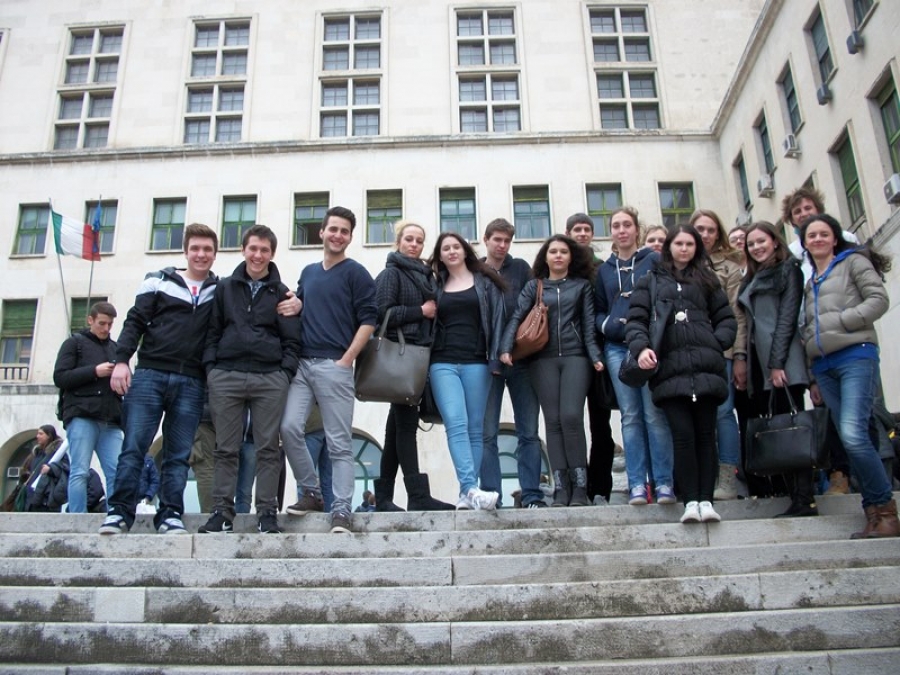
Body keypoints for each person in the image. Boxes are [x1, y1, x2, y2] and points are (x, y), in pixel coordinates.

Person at [99, 223, 220, 535]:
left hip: (192, 382)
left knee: (178, 455)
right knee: (134, 448)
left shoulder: (218, 291)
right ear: (186, 250)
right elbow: (134, 320)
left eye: (207, 249)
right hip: (150, 375)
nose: (201, 254)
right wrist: (122, 360)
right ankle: (119, 513)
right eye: (195, 248)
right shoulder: (158, 280)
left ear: (215, 254)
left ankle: (169, 514)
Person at [626, 225, 736, 524]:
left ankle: (707, 501)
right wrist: (642, 349)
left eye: (690, 244)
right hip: (670, 372)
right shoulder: (649, 281)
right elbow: (635, 322)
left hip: (706, 370)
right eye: (679, 243)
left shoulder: (708, 280)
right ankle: (690, 501)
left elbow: (726, 318)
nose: (684, 249)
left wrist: (716, 342)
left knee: (705, 437)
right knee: (682, 437)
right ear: (669, 247)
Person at [281, 206, 378, 534]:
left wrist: (347, 359)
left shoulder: (356, 273)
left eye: (344, 231)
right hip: (303, 365)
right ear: (321, 232)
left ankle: (341, 510)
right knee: (289, 428)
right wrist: (295, 303)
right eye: (332, 229)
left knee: (339, 443)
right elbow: (303, 306)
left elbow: (369, 319)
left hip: (334, 365)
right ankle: (311, 491)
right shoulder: (308, 272)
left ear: (350, 237)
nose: (337, 235)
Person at [799, 213, 897, 538]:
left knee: (854, 434)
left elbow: (879, 300)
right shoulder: (811, 280)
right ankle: (873, 515)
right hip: (824, 367)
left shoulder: (852, 263)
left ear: (834, 237)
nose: (817, 239)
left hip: (856, 356)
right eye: (811, 235)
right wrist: (812, 370)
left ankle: (886, 511)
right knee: (850, 436)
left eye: (823, 233)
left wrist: (843, 321)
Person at [199, 224, 301, 535]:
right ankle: (222, 512)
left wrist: (284, 373)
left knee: (268, 448)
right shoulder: (225, 288)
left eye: (264, 250)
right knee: (225, 448)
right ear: (244, 250)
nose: (258, 255)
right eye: (253, 249)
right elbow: (213, 331)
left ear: (272, 254)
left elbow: (292, 340)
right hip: (226, 375)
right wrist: (212, 370)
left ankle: (267, 513)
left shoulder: (282, 292)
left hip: (269, 377)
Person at [501, 234, 604, 506]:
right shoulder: (534, 286)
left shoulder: (582, 286)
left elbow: (588, 325)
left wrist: (595, 356)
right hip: (541, 360)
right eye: (553, 251)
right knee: (553, 421)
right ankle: (561, 488)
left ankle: (580, 487)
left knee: (571, 417)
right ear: (545, 257)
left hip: (576, 357)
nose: (558, 255)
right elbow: (516, 317)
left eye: (563, 251)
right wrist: (506, 348)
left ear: (571, 257)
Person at [595, 207, 675, 506]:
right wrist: (608, 325)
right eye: (616, 225)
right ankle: (637, 484)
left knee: (654, 414)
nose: (621, 230)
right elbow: (599, 309)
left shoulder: (654, 260)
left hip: (650, 346)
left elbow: (665, 298)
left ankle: (664, 482)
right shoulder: (604, 269)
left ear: (636, 230)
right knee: (630, 417)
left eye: (627, 225)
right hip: (617, 348)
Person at [782, 186, 859, 496]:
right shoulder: (792, 256)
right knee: (825, 411)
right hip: (811, 345)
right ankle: (837, 473)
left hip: (850, 343)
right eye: (797, 211)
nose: (804, 214)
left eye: (808, 208)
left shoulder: (847, 245)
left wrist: (841, 322)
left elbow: (870, 295)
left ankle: (873, 475)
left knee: (858, 415)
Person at [373, 220, 453, 511]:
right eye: (409, 239)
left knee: (395, 428)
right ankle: (417, 496)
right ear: (398, 242)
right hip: (401, 359)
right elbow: (381, 314)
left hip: (418, 359)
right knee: (405, 426)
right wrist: (420, 311)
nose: (414, 244)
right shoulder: (390, 274)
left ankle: (383, 497)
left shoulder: (426, 277)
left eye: (419, 240)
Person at [737, 221, 814, 517]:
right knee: (776, 427)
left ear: (775, 242)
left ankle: (804, 497)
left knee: (792, 428)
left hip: (781, 362)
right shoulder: (753, 277)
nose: (756, 247)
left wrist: (778, 364)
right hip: (760, 362)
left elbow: (787, 319)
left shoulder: (788, 270)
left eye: (761, 241)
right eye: (751, 244)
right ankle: (793, 495)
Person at [426, 231, 505, 510]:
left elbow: (498, 320)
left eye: (455, 246)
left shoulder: (485, 282)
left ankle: (465, 493)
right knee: (455, 424)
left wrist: (496, 357)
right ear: (440, 255)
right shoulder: (435, 284)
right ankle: (471, 488)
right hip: (442, 362)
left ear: (465, 250)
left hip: (477, 362)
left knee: (475, 429)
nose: (451, 251)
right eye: (445, 248)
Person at [479, 218, 544, 508]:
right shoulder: (475, 271)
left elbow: (530, 309)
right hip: (486, 361)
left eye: (507, 240)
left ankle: (531, 494)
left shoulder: (521, 269)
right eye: (497, 240)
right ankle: (491, 495)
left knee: (528, 431)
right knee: (486, 434)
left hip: (521, 359)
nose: (502, 246)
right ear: (486, 239)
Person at [689, 209, 746, 501]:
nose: (705, 235)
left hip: (721, 351)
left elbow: (737, 314)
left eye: (711, 229)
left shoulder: (730, 268)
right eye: (700, 229)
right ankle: (704, 475)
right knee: (697, 416)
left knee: (724, 413)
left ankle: (727, 477)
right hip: (688, 353)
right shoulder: (680, 262)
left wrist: (739, 355)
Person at [52, 301, 123, 513]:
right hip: (82, 415)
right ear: (90, 320)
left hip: (110, 418)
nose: (106, 328)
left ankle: (115, 516)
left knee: (116, 472)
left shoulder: (116, 348)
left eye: (110, 324)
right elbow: (60, 377)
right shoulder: (74, 343)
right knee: (80, 471)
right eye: (102, 323)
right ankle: (77, 517)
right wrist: (94, 371)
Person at [566, 213, 617, 505]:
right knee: (569, 422)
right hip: (570, 354)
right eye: (577, 230)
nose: (582, 234)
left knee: (601, 423)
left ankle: (600, 487)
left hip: (598, 354)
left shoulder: (602, 269)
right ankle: (576, 485)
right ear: (568, 233)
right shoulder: (559, 265)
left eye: (587, 230)